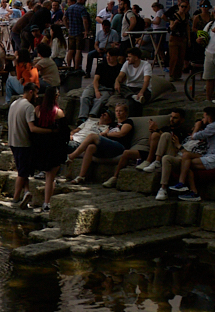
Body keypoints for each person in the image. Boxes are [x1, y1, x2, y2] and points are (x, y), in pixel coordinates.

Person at [157, 106, 215, 201]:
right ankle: (185, 186)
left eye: (203, 117)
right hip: (202, 155)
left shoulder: (213, 127)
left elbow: (194, 136)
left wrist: (197, 127)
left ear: (209, 118)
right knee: (185, 158)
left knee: (186, 163)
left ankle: (191, 191)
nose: (202, 120)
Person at [66, 102, 133, 184]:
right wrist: (102, 135)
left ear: (125, 112)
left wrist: (106, 134)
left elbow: (121, 133)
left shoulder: (128, 122)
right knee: (91, 147)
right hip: (108, 147)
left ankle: (71, 156)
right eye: (116, 111)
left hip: (119, 146)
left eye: (121, 111)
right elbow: (103, 134)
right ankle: (81, 176)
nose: (118, 113)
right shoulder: (113, 125)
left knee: (92, 136)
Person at [27, 85, 66, 213]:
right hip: (53, 147)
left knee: (48, 174)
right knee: (51, 177)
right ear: (56, 97)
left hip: (40, 147)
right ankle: (47, 203)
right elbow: (64, 133)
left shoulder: (38, 110)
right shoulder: (58, 113)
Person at [7, 80, 39, 209]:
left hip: (12, 141)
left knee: (23, 168)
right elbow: (32, 128)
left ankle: (26, 191)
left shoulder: (14, 103)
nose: (37, 97)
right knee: (22, 172)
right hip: (23, 143)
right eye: (36, 94)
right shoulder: (29, 107)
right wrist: (51, 131)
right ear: (30, 92)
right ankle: (15, 198)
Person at [137, 108, 191, 172]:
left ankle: (153, 161)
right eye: (171, 117)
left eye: (175, 118)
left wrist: (157, 130)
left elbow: (172, 140)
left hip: (173, 153)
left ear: (181, 120)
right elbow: (150, 144)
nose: (171, 119)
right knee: (155, 135)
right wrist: (152, 131)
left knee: (165, 134)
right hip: (159, 152)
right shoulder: (166, 128)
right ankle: (150, 161)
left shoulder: (182, 131)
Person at [78, 48, 122, 120]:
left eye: (110, 56)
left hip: (107, 88)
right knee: (85, 97)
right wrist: (96, 90)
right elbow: (96, 80)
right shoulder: (101, 65)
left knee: (99, 100)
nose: (108, 58)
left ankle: (92, 116)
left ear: (116, 57)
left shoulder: (119, 68)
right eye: (107, 56)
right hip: (97, 85)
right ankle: (82, 117)